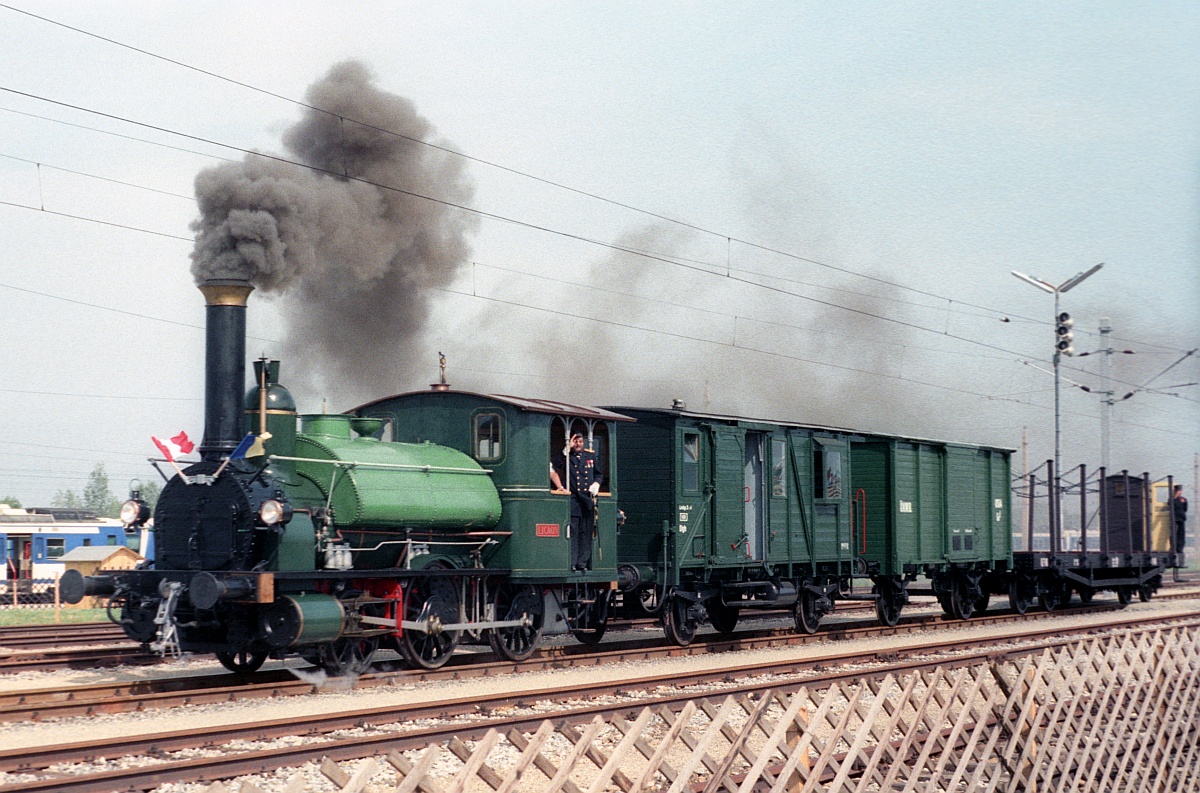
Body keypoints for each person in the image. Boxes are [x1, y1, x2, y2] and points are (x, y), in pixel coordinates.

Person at [553, 432, 602, 571]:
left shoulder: (590, 456)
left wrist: (596, 484)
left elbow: (599, 474)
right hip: (574, 499)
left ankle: (583, 562)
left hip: (587, 499)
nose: (578, 444)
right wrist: (567, 449)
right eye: (576, 442)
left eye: (580, 442)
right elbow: (557, 464)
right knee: (574, 531)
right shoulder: (568, 457)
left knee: (585, 532)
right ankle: (573, 562)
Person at [1173, 485, 1188, 558]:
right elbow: (1170, 504)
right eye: (1178, 490)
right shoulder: (1172, 498)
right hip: (1174, 518)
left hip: (1181, 518)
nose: (1180, 492)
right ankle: (1173, 548)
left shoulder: (1184, 499)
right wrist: (1175, 496)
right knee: (1174, 533)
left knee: (1181, 534)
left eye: (1180, 491)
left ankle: (1180, 549)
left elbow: (1185, 508)